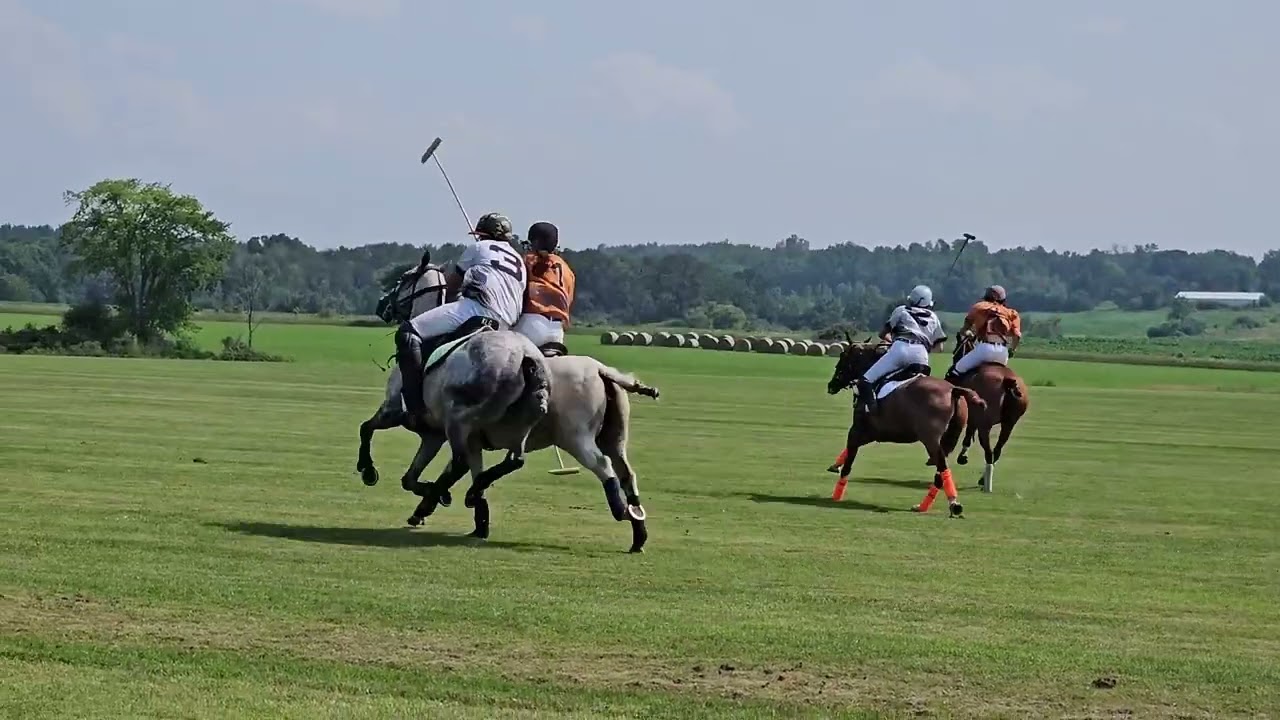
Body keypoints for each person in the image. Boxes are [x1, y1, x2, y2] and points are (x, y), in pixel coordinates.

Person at [394, 212, 527, 426]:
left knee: (408, 331)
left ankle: (414, 406)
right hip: (507, 324)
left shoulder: (478, 248)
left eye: (481, 235)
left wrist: (449, 301)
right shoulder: (519, 261)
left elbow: (452, 285)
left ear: (484, 235)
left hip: (476, 309)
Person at [856, 284, 947, 416]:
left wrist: (893, 342)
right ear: (928, 303)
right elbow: (940, 347)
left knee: (866, 380)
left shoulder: (901, 310)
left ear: (911, 299)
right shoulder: (934, 317)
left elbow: (883, 334)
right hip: (921, 356)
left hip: (900, 349)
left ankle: (872, 410)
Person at [512, 221, 575, 352]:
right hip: (557, 331)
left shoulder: (526, 261)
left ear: (534, 242)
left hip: (531, 324)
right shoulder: (567, 269)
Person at [944, 285, 1022, 383]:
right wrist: (1012, 350)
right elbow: (1017, 335)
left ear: (986, 296)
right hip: (1002, 353)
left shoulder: (979, 307)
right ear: (1003, 299)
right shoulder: (1011, 313)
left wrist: (969, 333)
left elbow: (964, 330)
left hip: (984, 349)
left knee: (956, 370)